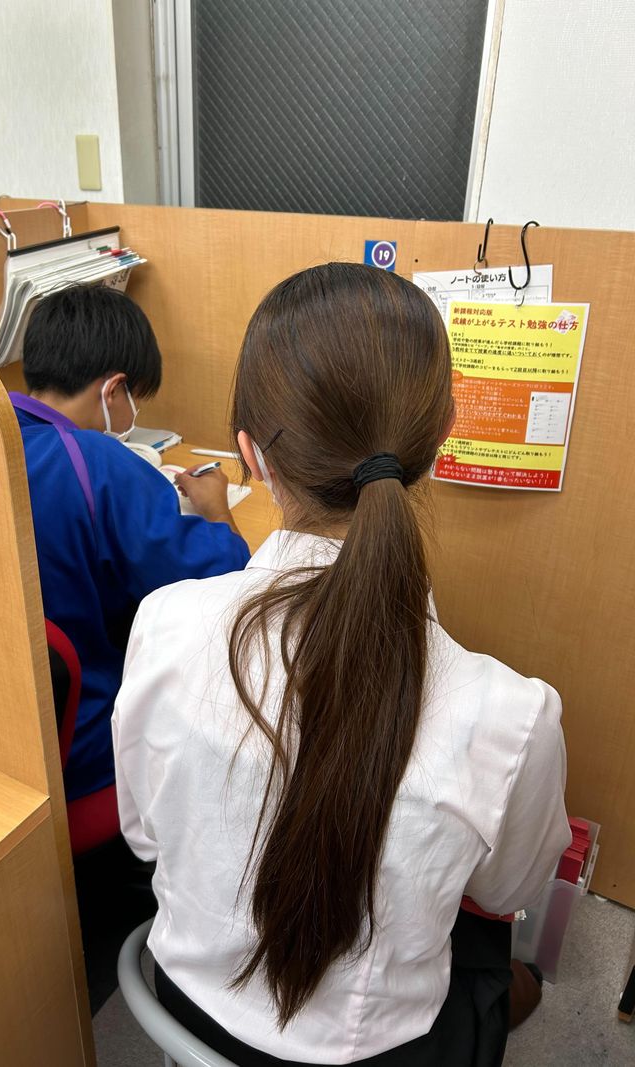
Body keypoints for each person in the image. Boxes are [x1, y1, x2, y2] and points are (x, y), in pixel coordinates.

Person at [113, 263, 571, 1066]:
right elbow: (509, 892)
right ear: (439, 436)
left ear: (251, 455)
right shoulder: (513, 716)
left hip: (190, 1015)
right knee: (496, 957)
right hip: (382, 1052)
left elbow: (146, 838)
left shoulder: (165, 626)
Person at [12, 283, 249, 805]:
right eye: (136, 399)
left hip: (9, 725)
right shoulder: (97, 462)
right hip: (86, 746)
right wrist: (217, 508)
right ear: (113, 390)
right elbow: (228, 576)